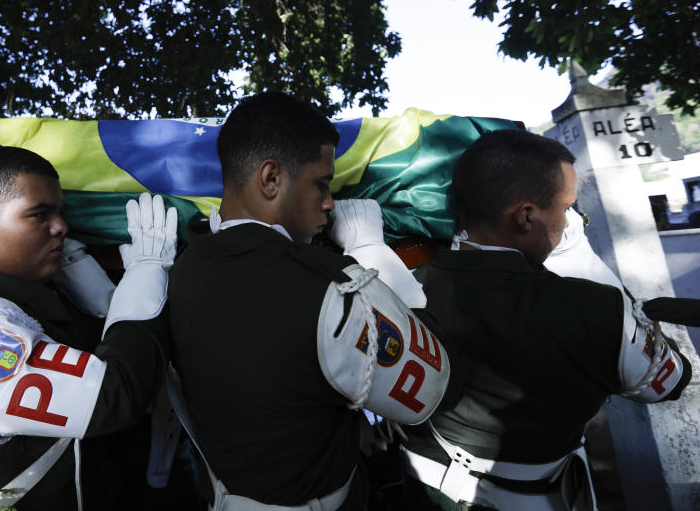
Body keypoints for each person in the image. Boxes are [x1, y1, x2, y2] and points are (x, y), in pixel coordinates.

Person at [167, 92, 455, 510]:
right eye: (321, 184)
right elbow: (432, 387)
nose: (328, 203)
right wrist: (371, 248)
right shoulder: (325, 286)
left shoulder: (181, 267)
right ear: (270, 179)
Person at [397, 129, 692, 511]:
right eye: (567, 206)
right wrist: (594, 274)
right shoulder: (595, 306)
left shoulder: (406, 290)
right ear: (526, 216)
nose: (573, 220)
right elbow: (668, 382)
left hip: (432, 492)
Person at [0, 146, 177, 509]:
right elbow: (112, 397)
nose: (61, 227)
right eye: (39, 215)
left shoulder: (34, 295)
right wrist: (146, 273)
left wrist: (102, 300)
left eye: (60, 213)